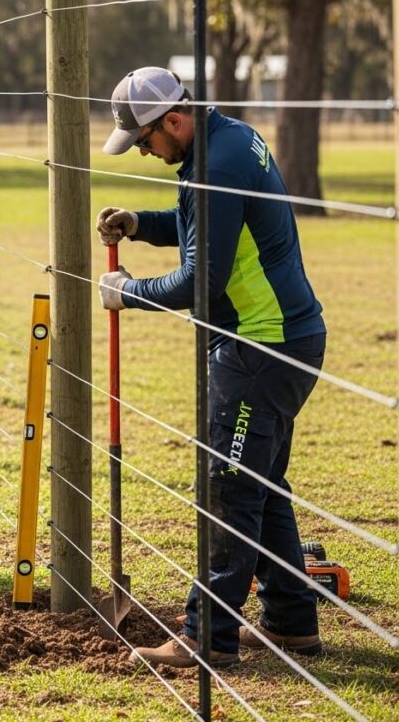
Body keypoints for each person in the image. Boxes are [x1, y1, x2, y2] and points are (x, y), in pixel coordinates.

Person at [96, 66, 326, 668]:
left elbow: (203, 277)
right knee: (262, 485)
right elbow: (208, 227)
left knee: (226, 490)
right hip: (289, 340)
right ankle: (291, 623)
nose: (145, 151)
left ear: (173, 120)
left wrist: (129, 291)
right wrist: (142, 225)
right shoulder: (225, 139)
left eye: (145, 139)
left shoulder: (214, 168)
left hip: (259, 348)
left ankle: (207, 638)